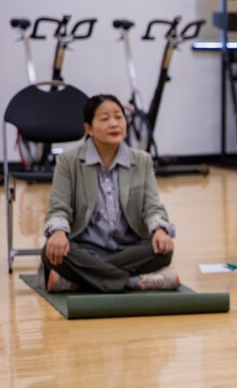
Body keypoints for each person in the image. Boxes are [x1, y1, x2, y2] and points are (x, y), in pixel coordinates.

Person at [40, 93, 179, 293]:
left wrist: (159, 230)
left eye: (119, 117)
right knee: (50, 251)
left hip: (128, 251)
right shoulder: (68, 161)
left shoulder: (142, 160)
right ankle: (134, 282)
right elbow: (58, 207)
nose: (114, 124)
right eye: (104, 119)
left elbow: (152, 206)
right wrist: (58, 232)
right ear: (88, 128)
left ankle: (78, 281)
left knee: (163, 250)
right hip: (85, 251)